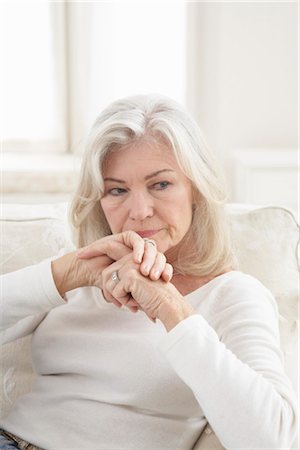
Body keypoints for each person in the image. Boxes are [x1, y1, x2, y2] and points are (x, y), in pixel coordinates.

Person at [0, 94, 297, 450]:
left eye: (160, 185)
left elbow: (272, 441)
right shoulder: (83, 272)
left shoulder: (234, 294)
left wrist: (171, 308)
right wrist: (65, 274)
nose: (139, 211)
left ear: (196, 190)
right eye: (117, 190)